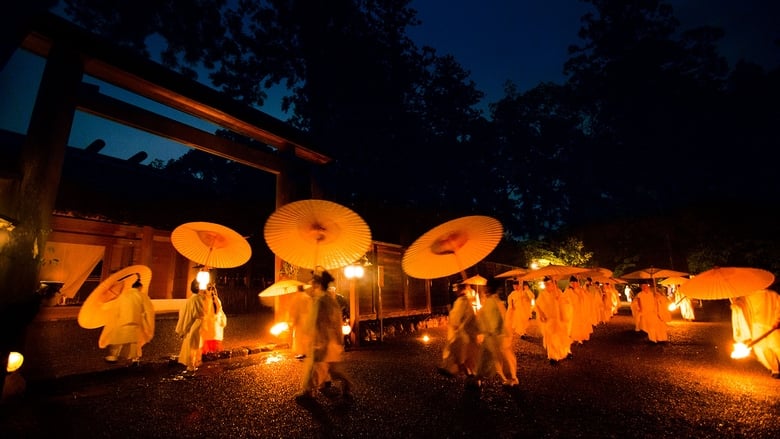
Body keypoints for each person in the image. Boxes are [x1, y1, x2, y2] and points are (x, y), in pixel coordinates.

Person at [297, 269, 354, 402]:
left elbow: (313, 320)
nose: (311, 284)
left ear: (318, 284)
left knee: (314, 367)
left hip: (322, 340)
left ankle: (308, 392)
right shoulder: (330, 299)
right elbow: (336, 320)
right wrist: (339, 340)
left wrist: (307, 332)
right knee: (333, 370)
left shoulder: (321, 300)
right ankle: (347, 387)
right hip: (331, 341)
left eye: (313, 282)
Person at [100, 277, 155, 366]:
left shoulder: (123, 295)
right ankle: (134, 360)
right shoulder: (143, 296)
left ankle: (113, 356)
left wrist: (109, 327)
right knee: (134, 344)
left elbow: (115, 312)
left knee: (117, 342)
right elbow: (149, 312)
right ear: (140, 288)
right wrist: (149, 329)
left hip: (120, 323)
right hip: (134, 324)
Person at [475, 279, 518, 387]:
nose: (484, 289)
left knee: (500, 358)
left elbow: (496, 320)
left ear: (489, 289)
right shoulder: (492, 301)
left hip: (495, 336)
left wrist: (491, 333)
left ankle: (511, 378)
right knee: (484, 358)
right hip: (490, 336)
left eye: (486, 287)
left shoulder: (493, 302)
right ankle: (477, 377)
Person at [730, 289, 780, 378]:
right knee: (767, 349)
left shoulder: (749, 297)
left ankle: (775, 369)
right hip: (764, 326)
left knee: (769, 349)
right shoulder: (772, 294)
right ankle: (775, 369)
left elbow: (742, 308)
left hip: (765, 326)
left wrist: (778, 320)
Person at [439, 283, 480, 379]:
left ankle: (452, 370)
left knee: (459, 354)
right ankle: (470, 377)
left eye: (457, 289)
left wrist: (457, 327)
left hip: (464, 334)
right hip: (465, 333)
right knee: (465, 358)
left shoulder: (463, 302)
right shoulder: (462, 301)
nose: (456, 291)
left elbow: (460, 318)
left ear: (461, 289)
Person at [535, 276, 573, 364]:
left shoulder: (558, 292)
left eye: (548, 284)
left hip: (559, 319)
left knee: (562, 337)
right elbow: (537, 305)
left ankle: (566, 352)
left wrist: (560, 300)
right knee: (551, 338)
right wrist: (541, 314)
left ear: (553, 284)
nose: (547, 286)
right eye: (545, 284)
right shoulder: (542, 294)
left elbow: (567, 303)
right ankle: (552, 356)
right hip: (549, 320)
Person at [176, 279, 207, 372]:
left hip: (190, 327)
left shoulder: (189, 300)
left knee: (190, 346)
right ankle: (192, 366)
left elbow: (184, 315)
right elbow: (199, 314)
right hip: (195, 327)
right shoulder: (198, 299)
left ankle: (191, 365)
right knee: (193, 347)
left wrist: (183, 329)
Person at [288, 284, 315, 361]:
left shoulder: (296, 298)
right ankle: (308, 352)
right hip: (307, 319)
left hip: (300, 320)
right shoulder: (307, 297)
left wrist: (292, 321)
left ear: (298, 289)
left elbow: (294, 310)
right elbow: (311, 309)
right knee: (307, 336)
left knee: (299, 337)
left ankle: (302, 353)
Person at [201, 284, 227, 355]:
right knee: (216, 355)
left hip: (207, 334)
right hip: (216, 334)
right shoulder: (217, 301)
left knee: (206, 355)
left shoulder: (205, 301)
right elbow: (221, 316)